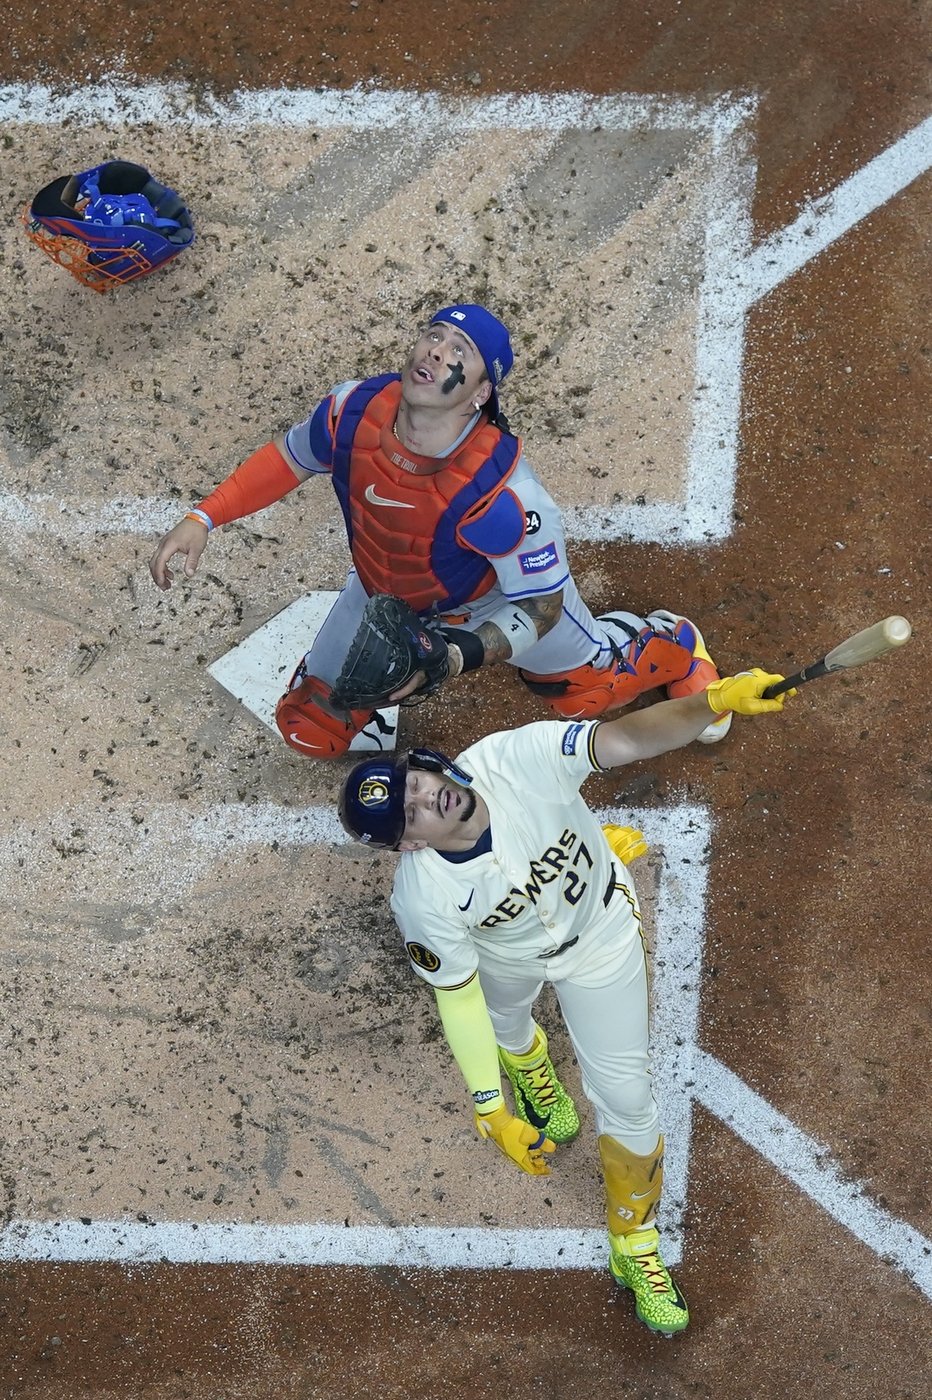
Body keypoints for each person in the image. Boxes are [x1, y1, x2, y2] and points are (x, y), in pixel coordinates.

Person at [337, 669, 795, 1335]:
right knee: (504, 1023)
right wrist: (490, 1106)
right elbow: (457, 996)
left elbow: (627, 740)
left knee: (628, 1098)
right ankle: (529, 1070)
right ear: (405, 844)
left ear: (429, 767)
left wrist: (710, 704)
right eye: (408, 814)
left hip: (601, 937)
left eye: (415, 784)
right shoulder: (424, 899)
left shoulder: (511, 760)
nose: (427, 800)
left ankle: (634, 1245)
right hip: (505, 956)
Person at [150, 303, 733, 758]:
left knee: (582, 695)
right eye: (434, 335)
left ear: (481, 394)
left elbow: (540, 608)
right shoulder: (353, 410)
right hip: (387, 594)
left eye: (461, 350)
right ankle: (352, 675)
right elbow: (290, 457)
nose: (437, 351)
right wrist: (205, 516)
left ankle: (669, 644)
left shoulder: (499, 491)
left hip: (489, 603)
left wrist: (455, 657)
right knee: (312, 725)